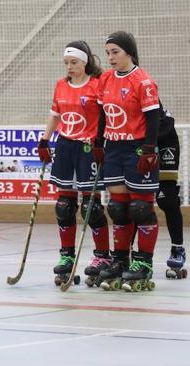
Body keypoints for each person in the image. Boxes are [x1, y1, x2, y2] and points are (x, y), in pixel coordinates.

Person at [36, 41, 110, 287]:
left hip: (88, 147)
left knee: (92, 207)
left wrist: (101, 142)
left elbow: (106, 115)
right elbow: (55, 114)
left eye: (74, 63)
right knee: (64, 205)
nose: (69, 67)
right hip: (66, 145)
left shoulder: (97, 84)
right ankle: (67, 256)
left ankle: (102, 258)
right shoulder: (61, 84)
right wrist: (45, 140)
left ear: (85, 62)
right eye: (66, 63)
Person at [95, 31, 160, 291]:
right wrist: (99, 141)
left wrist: (149, 149)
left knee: (141, 209)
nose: (110, 58)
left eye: (115, 52)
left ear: (129, 53)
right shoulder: (105, 79)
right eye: (108, 52)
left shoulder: (142, 81)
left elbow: (154, 118)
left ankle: (143, 262)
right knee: (118, 209)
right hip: (113, 148)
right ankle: (120, 260)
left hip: (137, 147)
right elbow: (102, 113)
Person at [156, 106, 186, 278]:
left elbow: (166, 122)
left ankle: (178, 248)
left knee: (167, 198)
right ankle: (126, 254)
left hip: (164, 140)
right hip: (135, 142)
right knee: (135, 203)